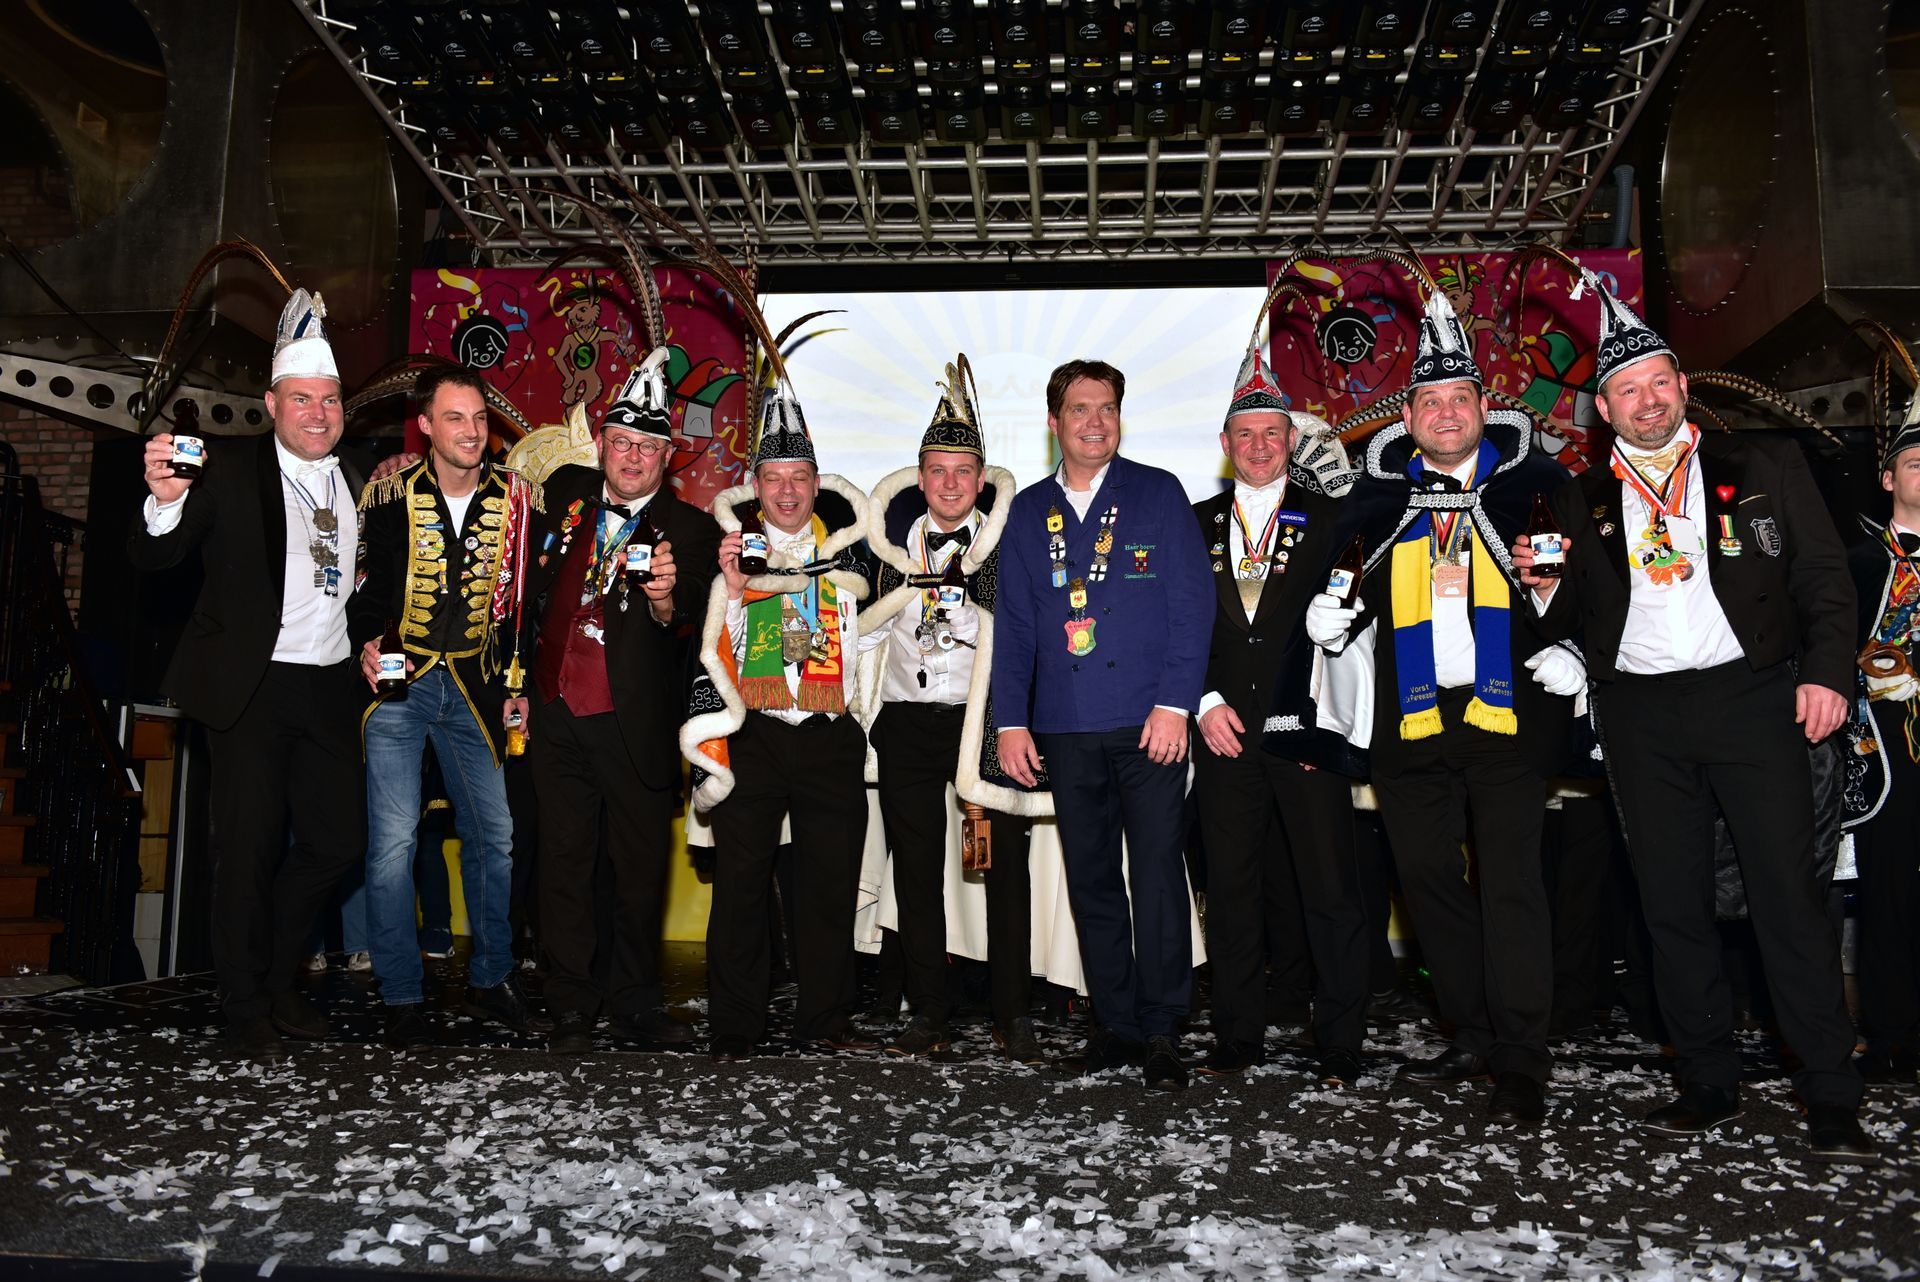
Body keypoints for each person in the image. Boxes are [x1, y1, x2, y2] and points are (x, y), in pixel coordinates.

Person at [1518, 267, 1873, 1162]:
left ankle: (1831, 1091)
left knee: (1790, 898)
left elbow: (1824, 579)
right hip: (1641, 715)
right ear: (1605, 410)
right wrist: (1545, 601)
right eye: (1628, 390)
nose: (1647, 401)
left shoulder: (1763, 465)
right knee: (1670, 904)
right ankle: (1707, 1080)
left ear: (1681, 385)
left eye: (1659, 382)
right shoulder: (1579, 498)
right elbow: (1567, 615)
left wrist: (1828, 674)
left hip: (1754, 700)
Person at [1306, 283, 1577, 1126]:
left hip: (1506, 715)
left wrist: (1574, 645)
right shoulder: (1379, 500)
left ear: (1483, 408)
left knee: (1511, 882)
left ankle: (1521, 1055)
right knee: (1424, 879)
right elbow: (1347, 583)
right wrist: (1332, 620)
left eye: (1461, 398)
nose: (1447, 413)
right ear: (1409, 416)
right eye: (1431, 401)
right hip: (1411, 719)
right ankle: (1471, 1025)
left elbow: (1582, 586)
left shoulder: (1535, 487)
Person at [127, 289, 366, 1060]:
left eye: (329, 400)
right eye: (302, 399)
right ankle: (245, 1004)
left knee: (338, 843)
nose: (318, 414)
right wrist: (164, 503)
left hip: (328, 684)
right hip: (251, 687)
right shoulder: (227, 469)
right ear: (272, 404)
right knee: (247, 852)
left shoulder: (358, 476)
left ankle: (276, 973)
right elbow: (157, 554)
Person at [990, 359, 1212, 1090]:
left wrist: (1176, 704)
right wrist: (1011, 722)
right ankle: (1116, 1024)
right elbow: (1015, 627)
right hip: (1065, 724)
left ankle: (1163, 1027)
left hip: (1151, 723)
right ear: (1054, 422)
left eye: (1107, 408)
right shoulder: (1028, 512)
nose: (1095, 422)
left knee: (1156, 875)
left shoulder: (1158, 491)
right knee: (1090, 879)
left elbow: (1193, 608)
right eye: (1080, 410)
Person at [520, 350, 721, 1053]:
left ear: (668, 457)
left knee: (637, 874)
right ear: (602, 443)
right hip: (555, 711)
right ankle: (571, 1004)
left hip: (634, 721)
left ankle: (635, 1003)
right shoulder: (564, 492)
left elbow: (687, 611)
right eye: (623, 441)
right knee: (564, 865)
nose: (633, 457)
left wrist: (663, 598)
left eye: (648, 447)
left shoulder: (690, 530)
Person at [350, 365, 549, 1049]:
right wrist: (366, 641)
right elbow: (368, 587)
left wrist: (519, 681)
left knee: (496, 836)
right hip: (399, 686)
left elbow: (525, 605)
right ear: (426, 426)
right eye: (455, 418)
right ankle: (401, 993)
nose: (471, 431)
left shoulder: (521, 500)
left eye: (479, 418)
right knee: (393, 844)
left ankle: (491, 978)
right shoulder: (389, 494)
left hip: (478, 687)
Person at [857, 356, 1044, 1063]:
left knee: (1006, 871)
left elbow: (1027, 635)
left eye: (963, 472)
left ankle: (1012, 1013)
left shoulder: (1009, 550)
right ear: (919, 477)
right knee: (916, 873)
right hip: (907, 722)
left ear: (982, 478)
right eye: (938, 471)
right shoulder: (885, 552)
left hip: (986, 723)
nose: (950, 484)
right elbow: (858, 634)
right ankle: (927, 1011)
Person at [682, 377, 875, 1061]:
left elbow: (872, 648)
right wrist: (736, 592)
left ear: (817, 485)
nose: (787, 492)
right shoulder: (736, 558)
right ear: (755, 487)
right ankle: (735, 1024)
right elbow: (718, 654)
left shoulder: (852, 559)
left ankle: (824, 1018)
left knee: (828, 885)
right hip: (756, 735)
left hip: (828, 738)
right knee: (740, 886)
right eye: (773, 478)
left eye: (799, 478)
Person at [1194, 340, 1370, 1084]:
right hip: (1222, 732)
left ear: (1292, 440)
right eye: (1246, 433)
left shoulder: (1333, 519)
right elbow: (1176, 628)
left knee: (1329, 890)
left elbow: (1362, 613)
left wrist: (1345, 628)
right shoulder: (1192, 523)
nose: (1260, 445)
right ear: (1225, 443)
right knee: (1232, 891)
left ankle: (1341, 1040)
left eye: (1272, 432)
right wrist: (1203, 700)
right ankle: (1238, 1033)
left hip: (1306, 731)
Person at [1848, 402, 1920, 1085]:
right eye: (1915, 462)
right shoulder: (1858, 562)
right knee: (1889, 891)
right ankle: (1890, 1036)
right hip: (1885, 750)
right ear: (1888, 477)